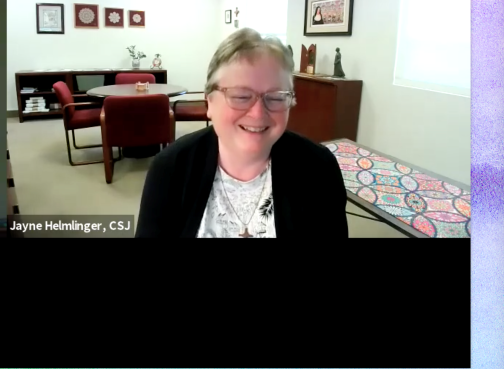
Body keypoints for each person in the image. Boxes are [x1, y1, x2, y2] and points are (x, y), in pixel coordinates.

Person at [136, 28, 347, 238]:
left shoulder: (319, 169)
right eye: (240, 96)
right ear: (209, 101)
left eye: (275, 97)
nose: (257, 114)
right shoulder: (171, 168)